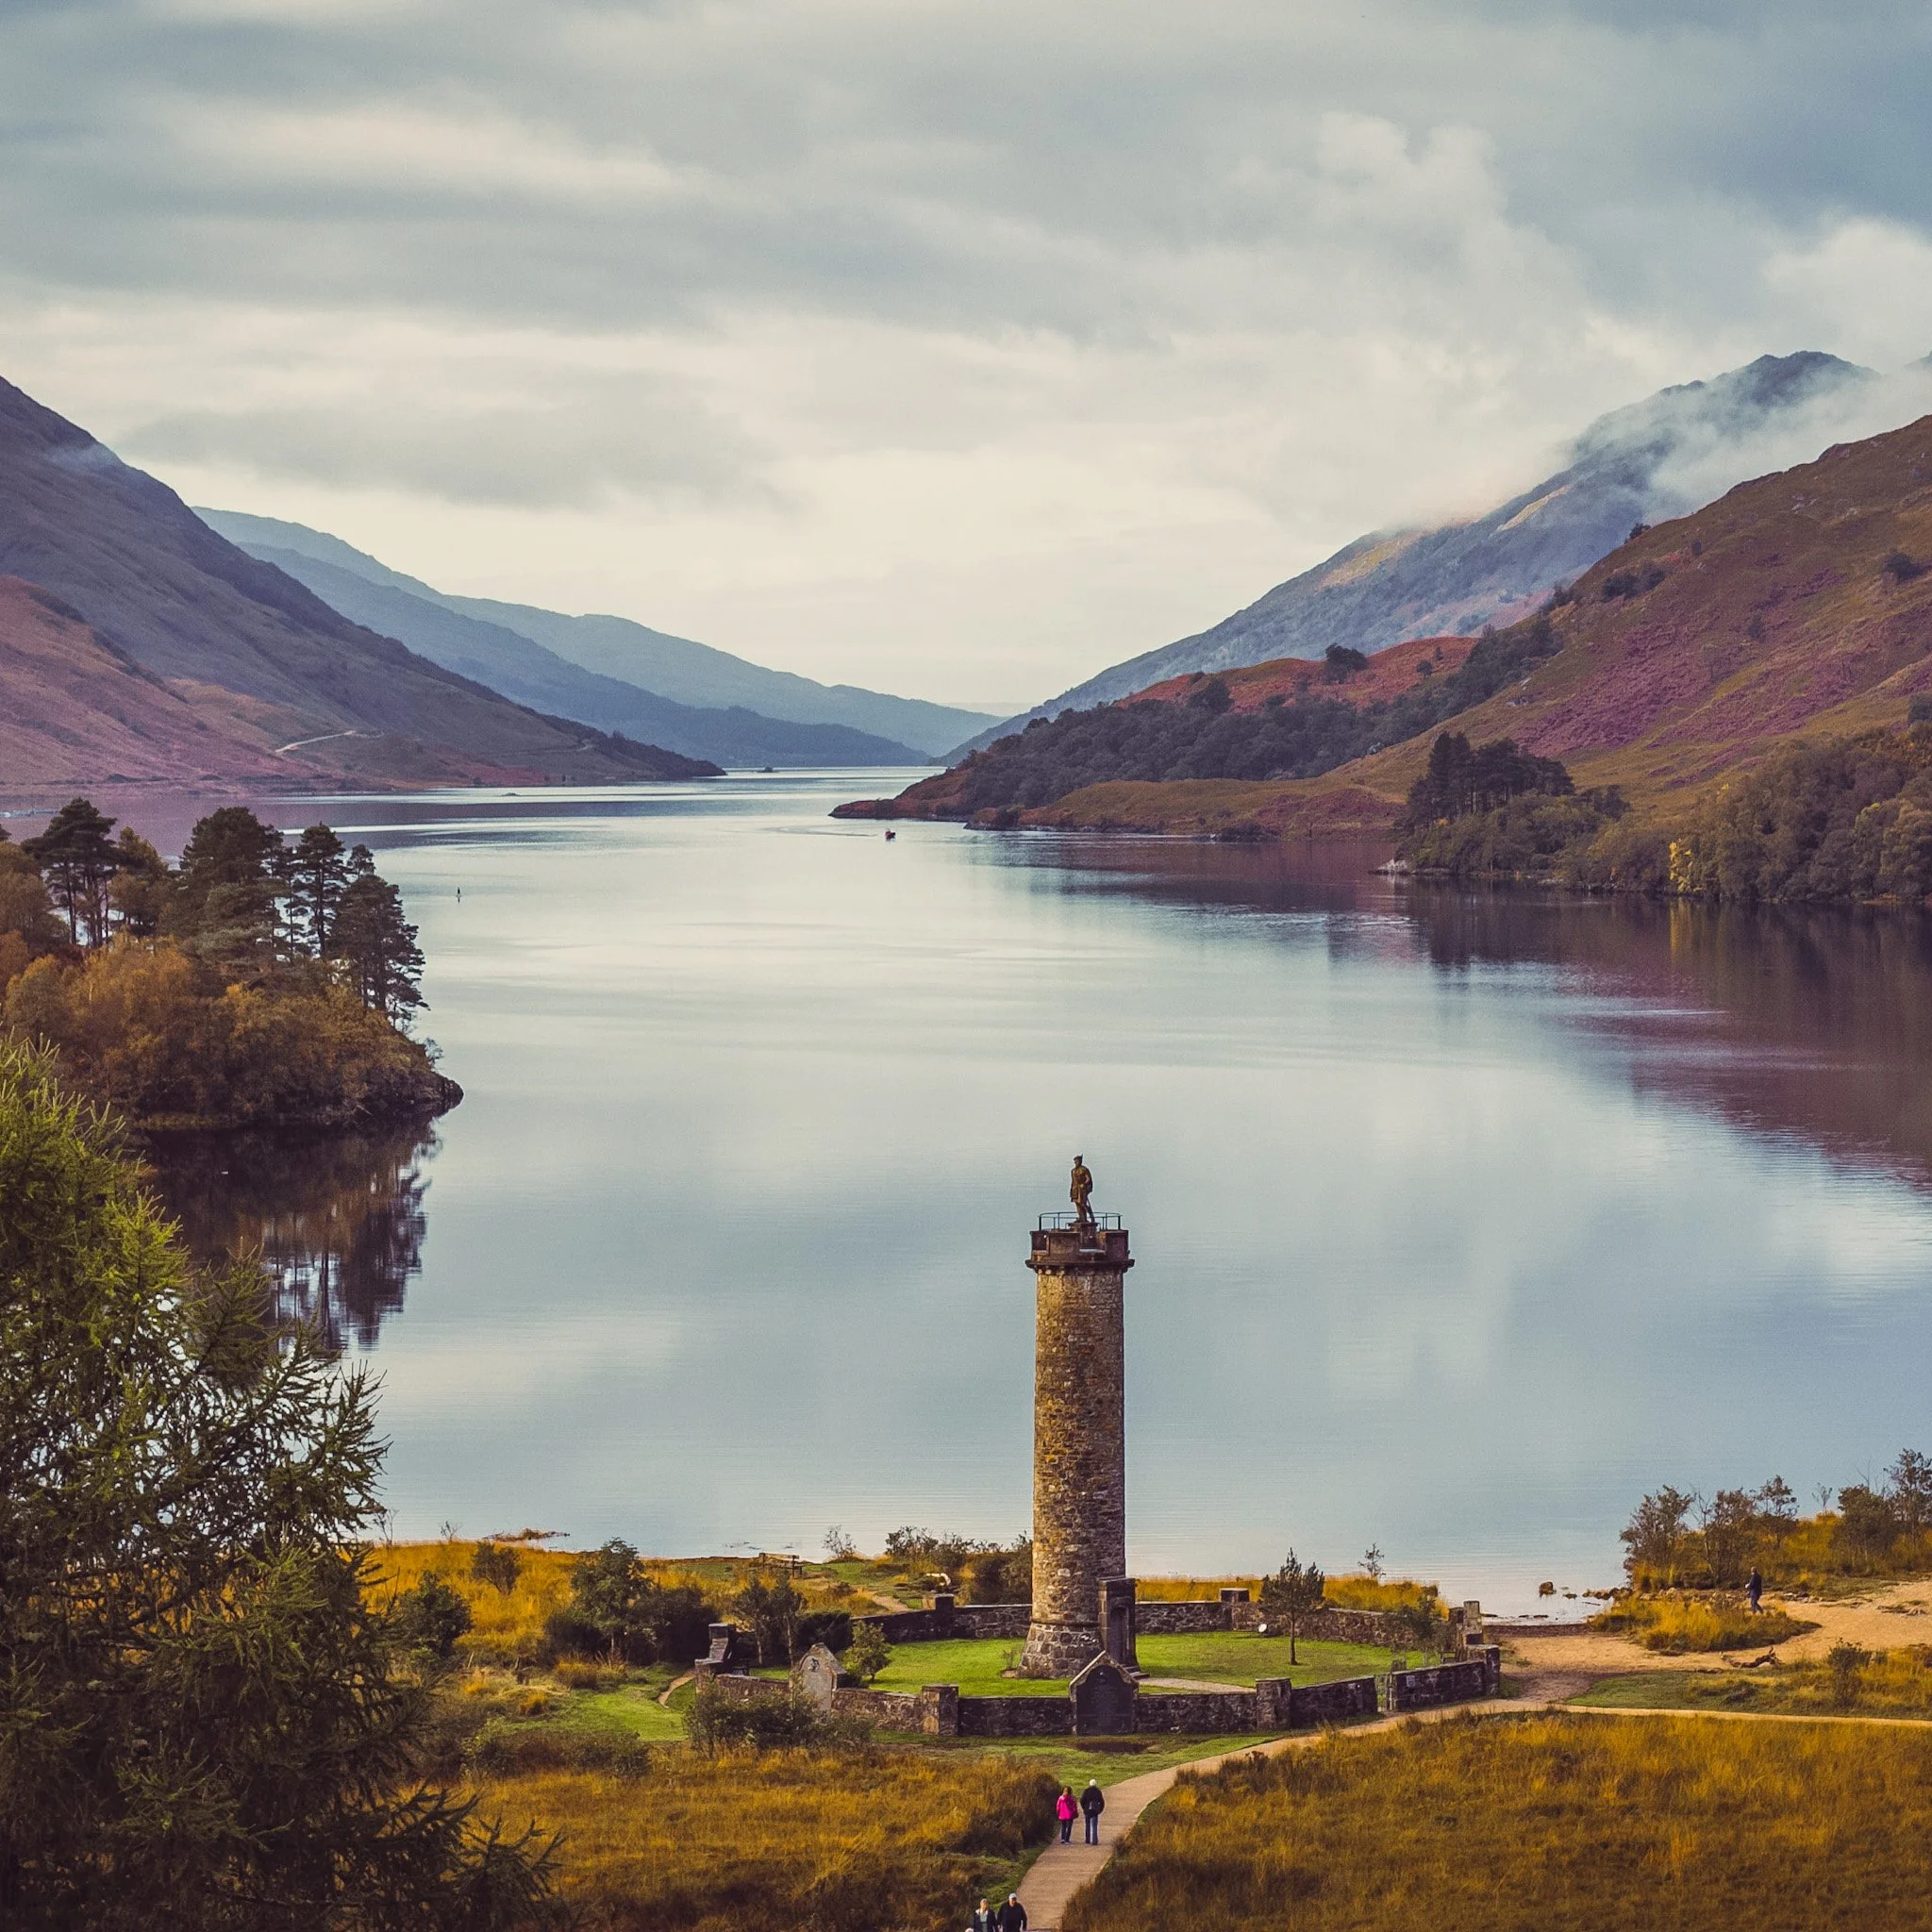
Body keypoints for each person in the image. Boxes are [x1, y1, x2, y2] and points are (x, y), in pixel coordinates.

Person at [1080, 1777, 1105, 1845]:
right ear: (1095, 1784)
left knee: (1087, 1825)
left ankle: (1087, 1839)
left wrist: (1084, 1808)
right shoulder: (1098, 1791)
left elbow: (1082, 1800)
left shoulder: (1086, 1791)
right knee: (1094, 1826)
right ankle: (1094, 1840)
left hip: (1087, 1810)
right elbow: (1101, 1802)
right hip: (1094, 1811)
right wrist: (1100, 1810)